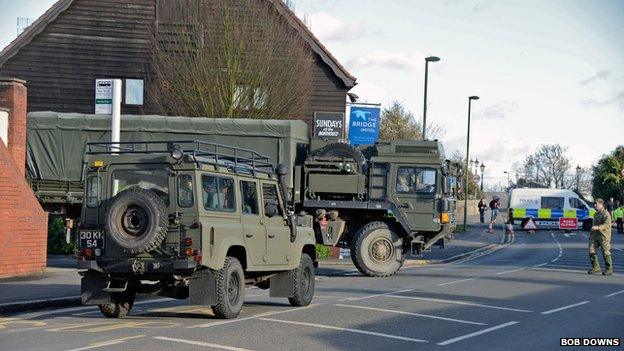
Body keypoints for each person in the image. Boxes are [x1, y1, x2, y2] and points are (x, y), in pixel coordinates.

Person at [588, 198, 613, 275]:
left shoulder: (606, 214)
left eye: (596, 204)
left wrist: (598, 227)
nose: (595, 205)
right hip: (595, 235)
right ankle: (596, 267)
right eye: (594, 204)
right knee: (591, 250)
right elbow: (594, 225)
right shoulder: (596, 214)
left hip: (603, 236)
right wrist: (591, 233)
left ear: (601, 204)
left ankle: (609, 269)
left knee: (605, 252)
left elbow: (607, 224)